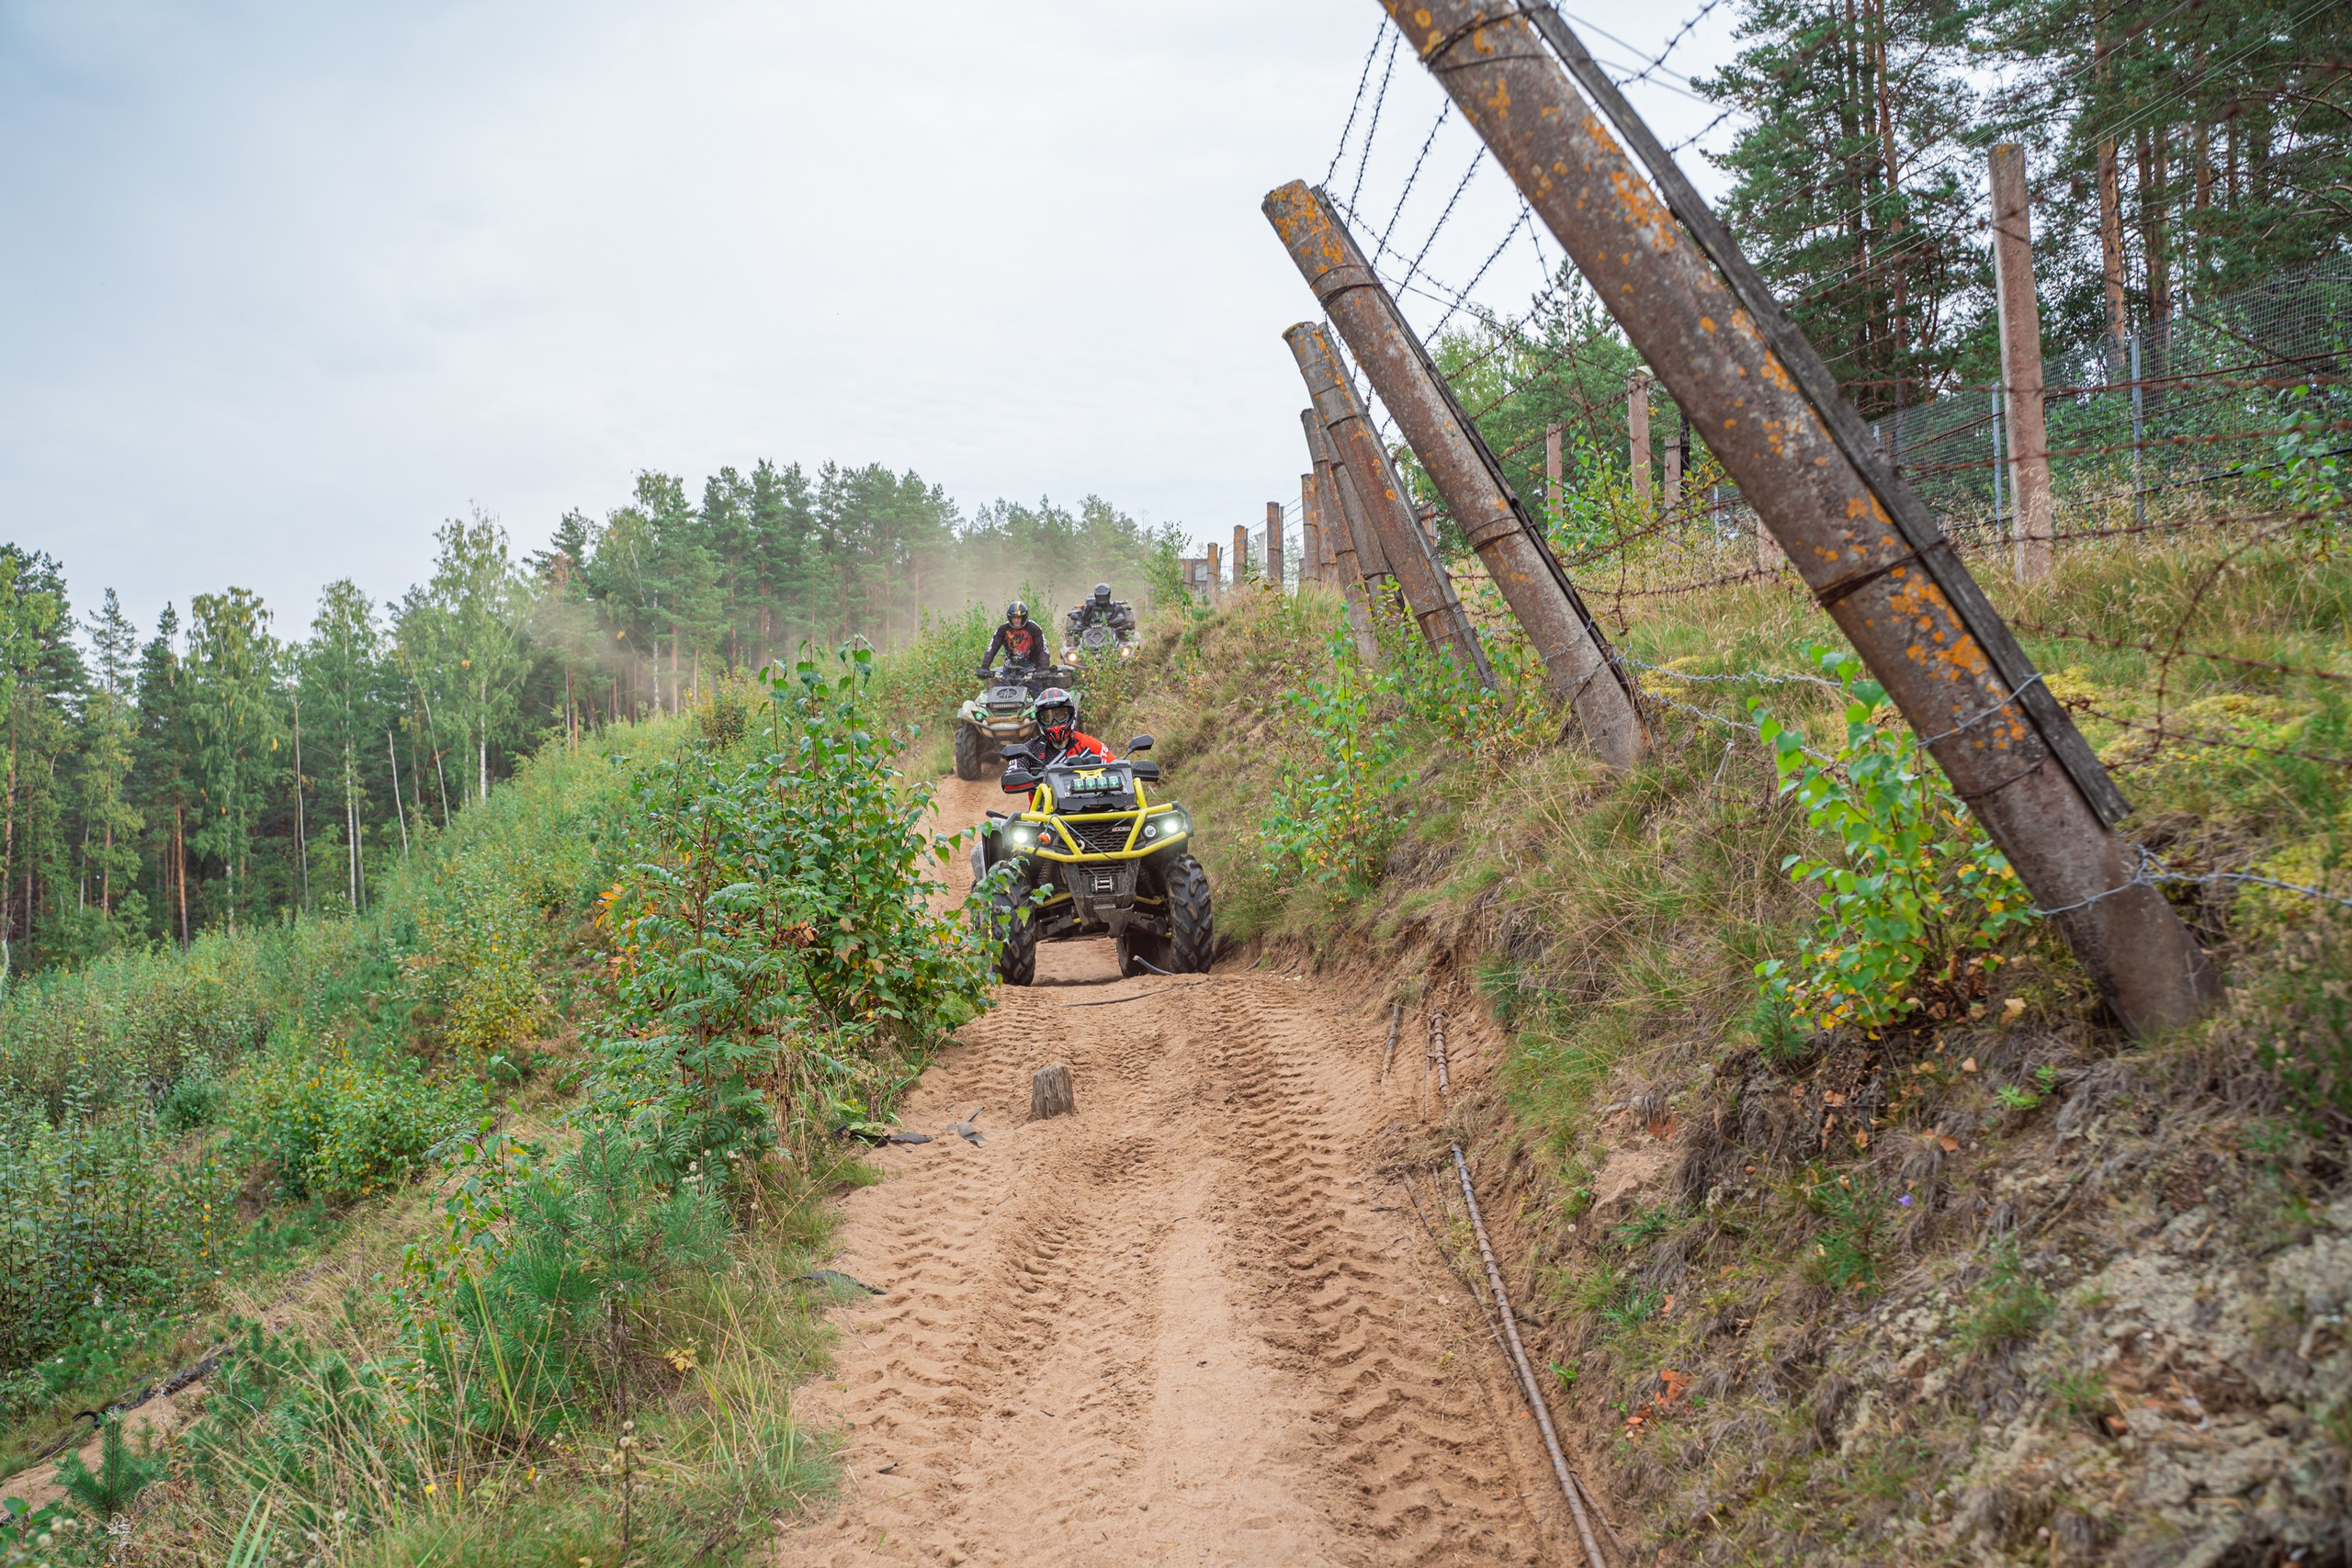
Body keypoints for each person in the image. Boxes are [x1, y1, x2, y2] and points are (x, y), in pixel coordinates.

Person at [979, 601, 1049, 673]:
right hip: (1009, 670)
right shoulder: (1003, 629)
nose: (1016, 621)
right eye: (1014, 618)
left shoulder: (1034, 628)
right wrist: (985, 666)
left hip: (1032, 671)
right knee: (1000, 685)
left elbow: (1042, 649)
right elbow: (992, 648)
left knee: (1036, 684)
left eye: (1018, 618)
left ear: (1024, 617)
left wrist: (1044, 668)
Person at [1063, 582, 1135, 643]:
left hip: (1113, 630)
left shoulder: (1114, 606)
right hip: (1089, 631)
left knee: (1127, 643)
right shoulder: (1090, 606)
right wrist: (1078, 625)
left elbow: (1121, 618)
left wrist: (1114, 623)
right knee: (1074, 643)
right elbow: (1083, 619)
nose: (1102, 599)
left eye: (1104, 596)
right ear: (1096, 596)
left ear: (1108, 595)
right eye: (1100, 597)